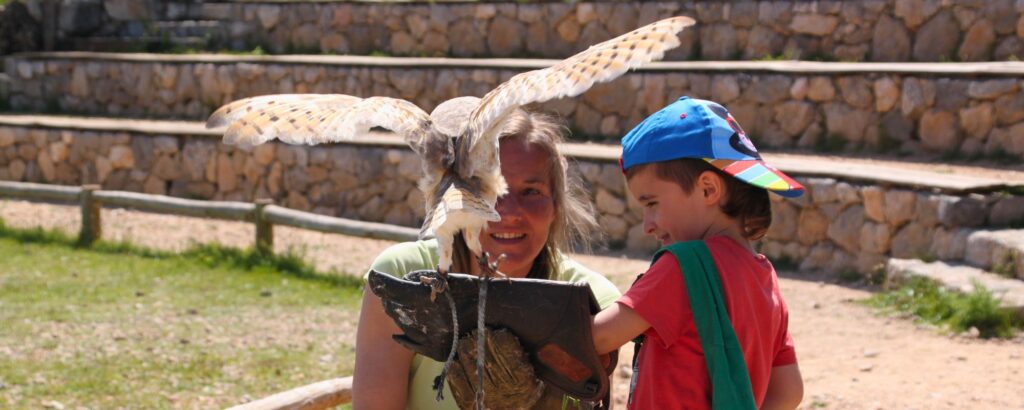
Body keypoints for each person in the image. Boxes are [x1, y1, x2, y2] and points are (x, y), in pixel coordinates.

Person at [353, 108, 622, 409]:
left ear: (556, 205)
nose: (507, 212)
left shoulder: (589, 302)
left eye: (530, 191)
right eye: (487, 190)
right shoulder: (403, 280)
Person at [591, 97, 805, 409]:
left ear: (708, 189)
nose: (647, 225)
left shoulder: (684, 266)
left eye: (651, 204)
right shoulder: (765, 279)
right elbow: (789, 391)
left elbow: (600, 338)